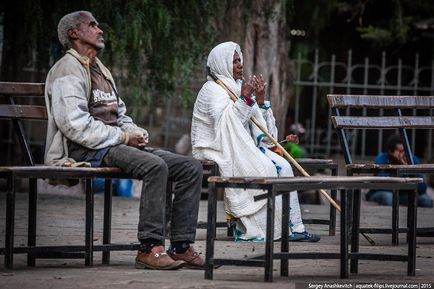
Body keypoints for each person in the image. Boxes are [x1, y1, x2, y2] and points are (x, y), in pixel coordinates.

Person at [44, 11, 204, 270]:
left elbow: (120, 114)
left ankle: (181, 246)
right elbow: (74, 125)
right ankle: (149, 248)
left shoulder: (100, 69)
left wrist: (135, 133)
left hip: (114, 144)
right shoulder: (66, 69)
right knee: (155, 166)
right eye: (92, 25)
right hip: (85, 150)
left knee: (190, 168)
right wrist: (123, 136)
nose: (100, 30)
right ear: (74, 33)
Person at [191, 41, 320, 242]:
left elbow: (262, 131)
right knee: (266, 168)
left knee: (284, 166)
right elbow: (226, 128)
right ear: (221, 63)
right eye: (234, 61)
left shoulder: (237, 87)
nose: (240, 65)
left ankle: (295, 227)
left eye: (239, 60)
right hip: (220, 147)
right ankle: (267, 229)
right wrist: (245, 99)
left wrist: (258, 101)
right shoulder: (212, 90)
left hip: (245, 145)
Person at [366, 134, 433, 207]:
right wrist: (403, 177)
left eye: (405, 151)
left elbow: (422, 187)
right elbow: (382, 183)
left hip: (403, 195)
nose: (403, 154)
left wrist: (408, 169)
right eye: (400, 151)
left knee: (426, 200)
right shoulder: (381, 159)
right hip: (382, 193)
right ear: (390, 151)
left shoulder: (412, 159)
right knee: (388, 197)